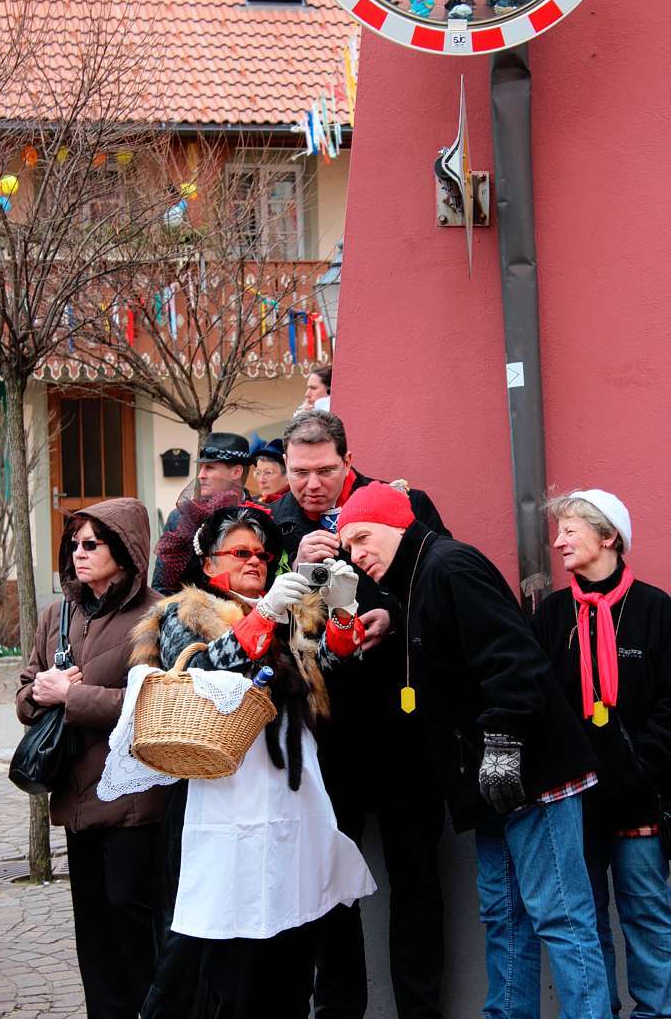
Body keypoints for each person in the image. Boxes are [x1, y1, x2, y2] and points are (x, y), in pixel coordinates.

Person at [338, 481, 613, 1019]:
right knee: (504, 917)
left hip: (532, 775)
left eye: (364, 538)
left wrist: (505, 743)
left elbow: (515, 659)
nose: (357, 554)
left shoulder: (451, 565)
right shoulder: (418, 580)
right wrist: (393, 620)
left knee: (560, 917)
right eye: (348, 546)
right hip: (487, 787)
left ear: (398, 525)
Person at [111, 492, 375, 1019]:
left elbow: (328, 674)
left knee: (290, 922)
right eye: (239, 553)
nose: (254, 560)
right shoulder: (184, 611)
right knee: (214, 937)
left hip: (288, 796)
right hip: (219, 796)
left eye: (260, 552)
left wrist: (344, 611)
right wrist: (265, 618)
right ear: (209, 564)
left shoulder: (292, 612)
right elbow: (201, 674)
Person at [272, 411, 451, 1019]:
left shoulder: (402, 502)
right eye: (299, 473)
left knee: (418, 883)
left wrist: (394, 619)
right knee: (331, 891)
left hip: (403, 728)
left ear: (348, 461)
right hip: (327, 738)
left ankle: (420, 1011)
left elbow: (440, 589)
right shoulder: (275, 524)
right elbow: (249, 615)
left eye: (325, 470)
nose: (312, 484)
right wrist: (292, 568)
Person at [16, 499, 167, 1019]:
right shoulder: (58, 613)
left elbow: (154, 705)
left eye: (90, 544)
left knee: (130, 916)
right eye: (72, 544)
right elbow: (24, 694)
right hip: (75, 796)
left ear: (124, 551)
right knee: (93, 931)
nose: (77, 554)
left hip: (134, 798)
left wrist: (70, 698)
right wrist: (40, 692)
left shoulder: (158, 615)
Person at [531, 489, 671, 1019]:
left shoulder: (655, 609)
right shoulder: (551, 614)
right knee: (584, 922)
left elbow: (669, 701)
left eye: (570, 530)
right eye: (558, 530)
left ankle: (655, 1012)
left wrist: (641, 766)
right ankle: (600, 1010)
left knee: (647, 915)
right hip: (572, 799)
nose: (558, 541)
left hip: (640, 797)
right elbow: (539, 698)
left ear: (609, 537)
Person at [152, 431, 250, 594]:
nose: (200, 475)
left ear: (236, 472)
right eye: (201, 467)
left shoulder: (263, 514)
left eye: (209, 468)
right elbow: (162, 588)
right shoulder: (182, 518)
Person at [250, 438, 289, 504]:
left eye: (268, 473)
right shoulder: (252, 503)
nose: (261, 480)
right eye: (258, 473)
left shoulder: (297, 506)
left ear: (288, 476)